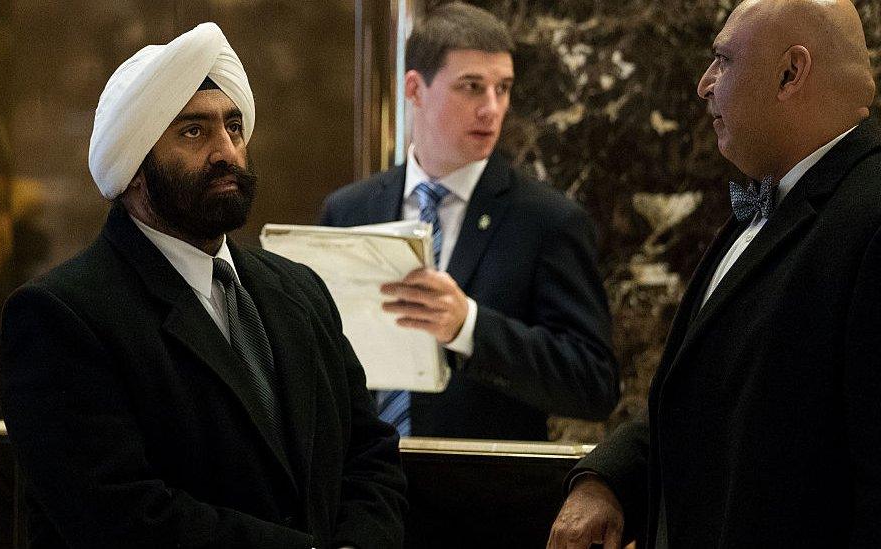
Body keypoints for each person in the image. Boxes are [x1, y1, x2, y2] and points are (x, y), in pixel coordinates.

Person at [0, 23, 407, 549]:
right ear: (135, 165)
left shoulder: (299, 291)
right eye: (194, 132)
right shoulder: (62, 316)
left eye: (233, 127)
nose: (227, 152)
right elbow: (122, 516)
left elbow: (369, 453)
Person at [548, 0, 881, 547]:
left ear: (790, 73)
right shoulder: (772, 202)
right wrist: (607, 481)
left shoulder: (870, 221)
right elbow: (721, 405)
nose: (704, 84)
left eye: (723, 61)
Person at [320, 2, 618, 441]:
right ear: (415, 89)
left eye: (503, 88)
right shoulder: (347, 211)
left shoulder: (549, 221)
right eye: (472, 87)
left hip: (480, 495)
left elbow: (595, 385)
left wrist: (469, 327)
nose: (492, 109)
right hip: (359, 488)